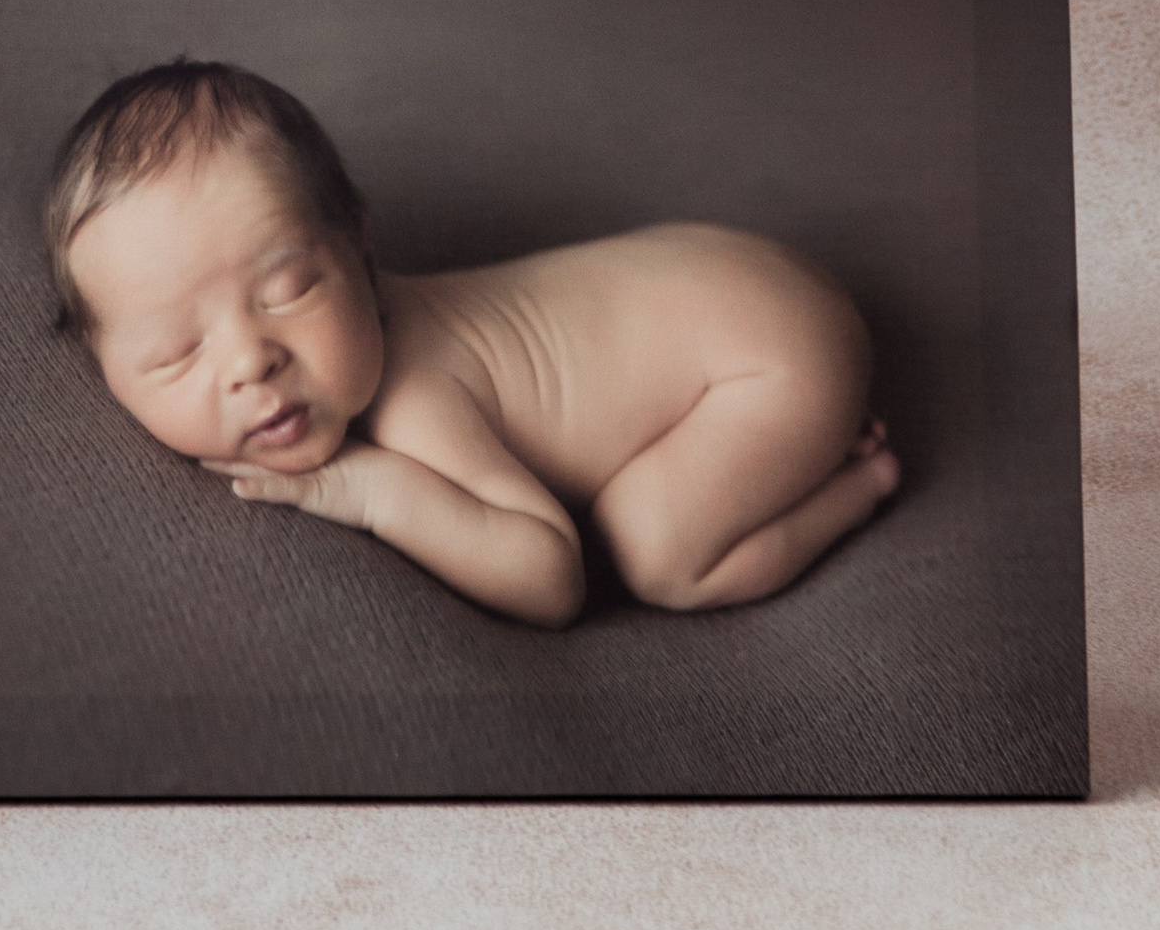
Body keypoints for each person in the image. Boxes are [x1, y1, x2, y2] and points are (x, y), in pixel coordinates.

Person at [46, 62, 901, 627]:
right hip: (727, 277)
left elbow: (549, 577)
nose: (249, 360)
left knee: (655, 552)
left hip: (772, 359)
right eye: (174, 353)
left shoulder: (415, 392)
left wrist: (371, 490)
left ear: (362, 252)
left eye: (290, 291)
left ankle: (860, 481)